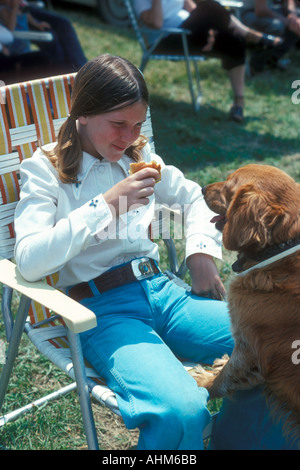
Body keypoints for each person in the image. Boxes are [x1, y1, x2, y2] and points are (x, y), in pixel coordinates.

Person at [13, 54, 297, 450]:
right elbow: (27, 260)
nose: (129, 137)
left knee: (282, 353)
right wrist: (106, 205)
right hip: (103, 310)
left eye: (136, 125)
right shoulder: (45, 169)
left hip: (164, 293)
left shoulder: (141, 157)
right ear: (83, 112)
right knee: (181, 410)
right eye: (117, 125)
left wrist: (200, 253)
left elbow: (195, 199)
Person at [133, 0, 282, 123]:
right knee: (210, 6)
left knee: (234, 41)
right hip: (165, 41)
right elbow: (156, 24)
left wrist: (208, 28)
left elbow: (194, 11)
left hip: (189, 36)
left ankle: (239, 104)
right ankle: (252, 36)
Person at [0, 0, 87, 69]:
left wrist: (37, 24)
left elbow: (27, 15)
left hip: (24, 43)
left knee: (55, 31)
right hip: (16, 45)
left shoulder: (21, 6)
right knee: (45, 54)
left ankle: (73, 67)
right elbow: (10, 28)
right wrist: (15, 8)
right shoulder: (4, 10)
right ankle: (63, 67)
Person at [241, 0, 300, 72]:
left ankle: (272, 60)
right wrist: (287, 22)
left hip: (272, 9)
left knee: (297, 22)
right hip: (249, 13)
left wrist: (293, 16)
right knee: (277, 26)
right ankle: (255, 65)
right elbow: (260, 10)